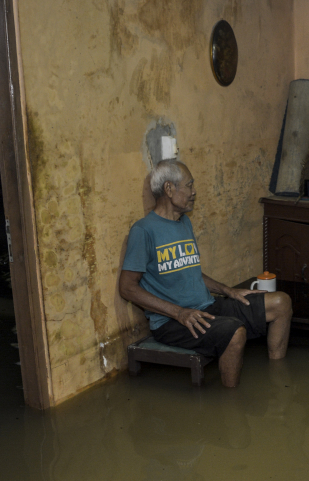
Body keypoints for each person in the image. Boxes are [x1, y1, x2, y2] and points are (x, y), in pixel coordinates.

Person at [118, 160, 293, 388]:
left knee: (281, 302)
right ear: (169, 189)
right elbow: (127, 287)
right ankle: (232, 408)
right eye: (189, 186)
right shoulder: (143, 231)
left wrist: (227, 290)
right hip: (171, 322)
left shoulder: (184, 223)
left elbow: (191, 271)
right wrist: (179, 312)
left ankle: (279, 382)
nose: (194, 192)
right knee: (235, 333)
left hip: (205, 306)